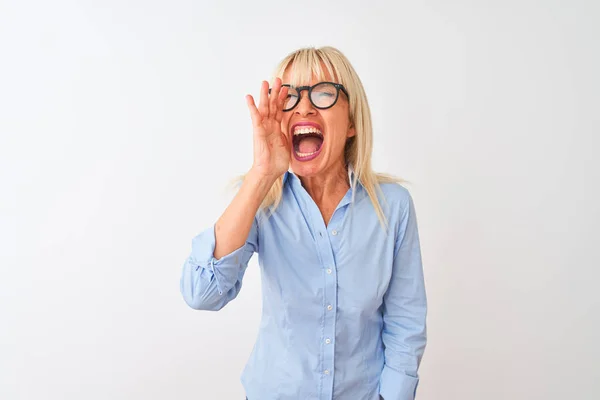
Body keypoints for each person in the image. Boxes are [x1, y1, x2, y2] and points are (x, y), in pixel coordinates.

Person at [180, 46, 427, 400]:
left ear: (353, 121)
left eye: (324, 93)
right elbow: (201, 293)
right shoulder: (260, 197)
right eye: (290, 96)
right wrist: (262, 174)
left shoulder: (394, 206)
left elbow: (406, 324)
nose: (304, 107)